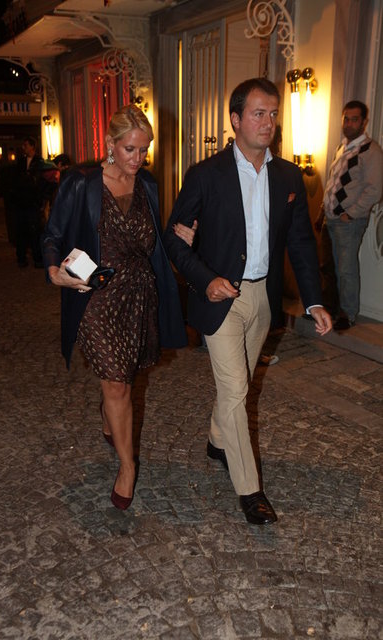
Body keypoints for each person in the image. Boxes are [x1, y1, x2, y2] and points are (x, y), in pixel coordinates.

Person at [164, 78, 332, 526]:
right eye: (259, 113)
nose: (268, 122)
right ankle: (250, 490)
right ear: (236, 119)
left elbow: (300, 242)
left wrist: (314, 301)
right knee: (236, 389)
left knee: (238, 386)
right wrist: (205, 281)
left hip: (262, 298)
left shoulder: (288, 176)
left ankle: (217, 439)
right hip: (221, 297)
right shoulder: (205, 175)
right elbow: (174, 239)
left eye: (273, 114)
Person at [42, 104, 187, 510]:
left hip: (139, 293)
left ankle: (109, 414)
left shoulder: (148, 185)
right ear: (110, 143)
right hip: (97, 296)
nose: (138, 159)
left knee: (123, 376)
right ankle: (127, 466)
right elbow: (52, 235)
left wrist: (183, 240)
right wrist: (54, 271)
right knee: (118, 383)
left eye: (144, 150)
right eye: (130, 149)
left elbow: (155, 241)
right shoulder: (81, 183)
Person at [322, 100, 383, 331]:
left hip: (348, 222)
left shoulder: (371, 150)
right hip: (330, 218)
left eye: (354, 119)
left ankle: (347, 313)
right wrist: (322, 211)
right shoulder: (342, 148)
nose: (348, 123)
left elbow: (374, 190)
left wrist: (350, 213)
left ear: (364, 122)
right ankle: (329, 310)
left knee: (346, 269)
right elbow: (334, 183)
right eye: (345, 119)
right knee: (328, 267)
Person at [12, 136, 47, 268]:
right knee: (21, 231)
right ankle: (21, 258)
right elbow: (16, 180)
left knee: (35, 231)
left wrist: (40, 201)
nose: (24, 148)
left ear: (32, 146)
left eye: (26, 145)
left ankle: (37, 258)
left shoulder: (39, 162)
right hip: (21, 202)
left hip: (33, 202)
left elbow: (40, 183)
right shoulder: (21, 162)